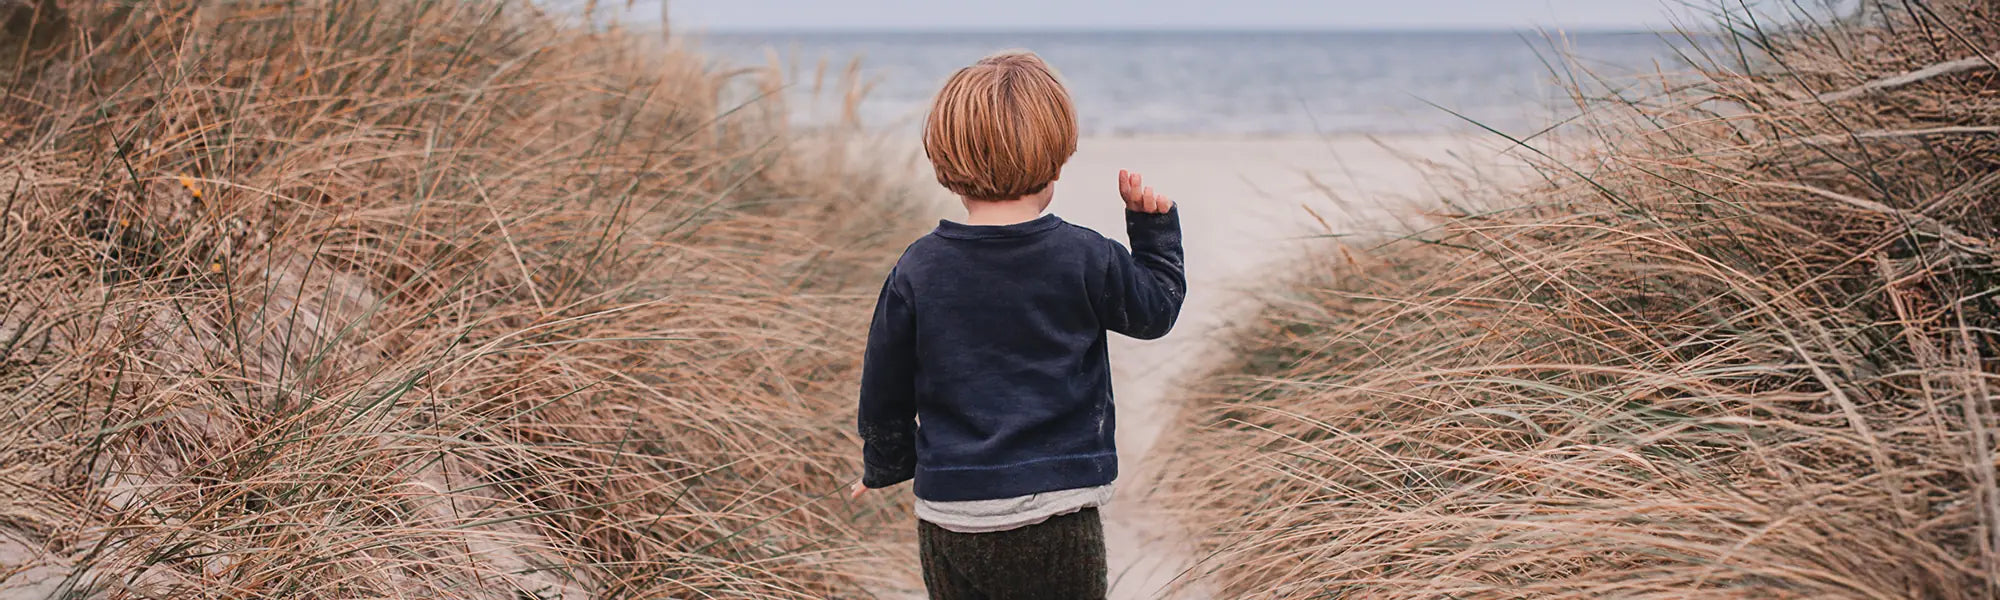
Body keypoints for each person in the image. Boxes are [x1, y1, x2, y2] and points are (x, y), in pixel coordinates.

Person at [847, 50, 1187, 599]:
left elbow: (884, 385)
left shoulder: (919, 266)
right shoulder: (1084, 256)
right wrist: (1152, 232)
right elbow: (1156, 313)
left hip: (951, 514)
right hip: (1058, 509)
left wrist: (884, 464)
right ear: (1056, 161)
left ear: (945, 161)